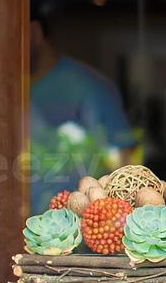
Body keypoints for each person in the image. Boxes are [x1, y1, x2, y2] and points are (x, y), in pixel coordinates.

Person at [29, 11, 137, 213]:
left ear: (34, 33)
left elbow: (123, 164)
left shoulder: (89, 87)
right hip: (15, 228)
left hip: (77, 230)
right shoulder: (4, 88)